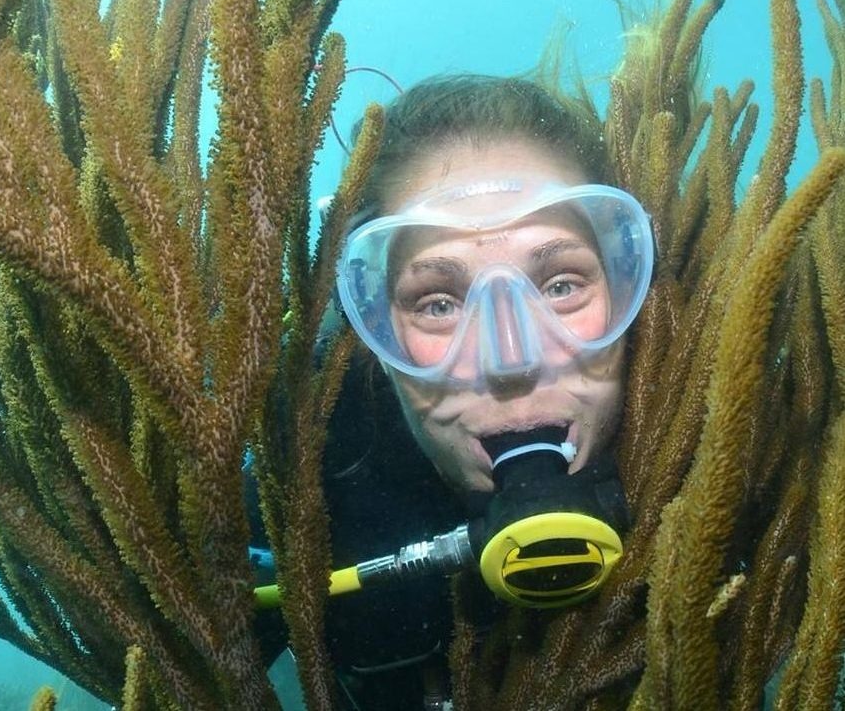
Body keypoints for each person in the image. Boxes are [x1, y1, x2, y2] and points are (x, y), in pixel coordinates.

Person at [247, 74, 655, 710]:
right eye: (438, 302)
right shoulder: (301, 479)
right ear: (372, 336)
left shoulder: (738, 443)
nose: (511, 360)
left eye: (560, 286)